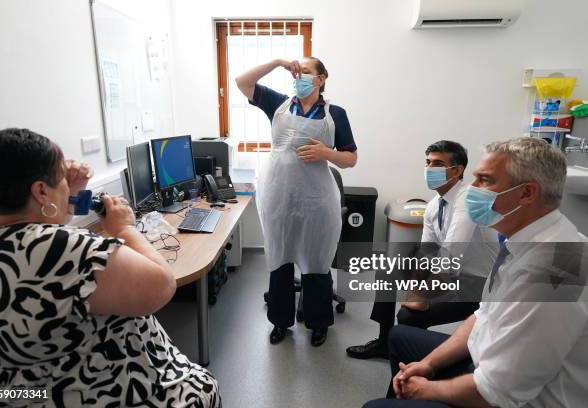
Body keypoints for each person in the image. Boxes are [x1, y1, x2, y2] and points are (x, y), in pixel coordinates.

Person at [0, 129, 221, 407]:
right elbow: (162, 286)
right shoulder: (69, 249)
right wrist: (124, 229)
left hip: (17, 391)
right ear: (41, 191)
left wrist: (69, 192)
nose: (67, 187)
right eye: (60, 180)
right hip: (95, 390)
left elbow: (38, 231)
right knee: (203, 389)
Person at [363, 137, 588, 408]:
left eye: (485, 180)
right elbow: (482, 313)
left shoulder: (551, 275)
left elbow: (497, 393)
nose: (472, 188)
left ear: (527, 193)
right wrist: (427, 364)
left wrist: (425, 390)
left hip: (509, 399)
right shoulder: (523, 241)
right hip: (484, 360)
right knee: (399, 333)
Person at [236, 58, 358, 346]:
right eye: (296, 71)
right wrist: (278, 62)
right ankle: (279, 322)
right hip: (278, 195)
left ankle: (318, 323)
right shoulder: (279, 104)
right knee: (279, 258)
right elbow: (242, 82)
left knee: (317, 261)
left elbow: (351, 158)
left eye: (306, 72)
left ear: (321, 79)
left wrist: (326, 153)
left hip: (317, 200)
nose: (298, 76)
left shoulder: (335, 114)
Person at [347, 141, 497, 360]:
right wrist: (416, 285)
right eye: (427, 162)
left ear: (457, 170)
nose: (429, 168)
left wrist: (421, 295)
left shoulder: (468, 199)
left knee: (409, 315)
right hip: (451, 277)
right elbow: (426, 253)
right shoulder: (435, 205)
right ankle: (384, 342)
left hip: (476, 285)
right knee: (388, 273)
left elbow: (449, 258)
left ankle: (418, 359)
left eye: (438, 163)